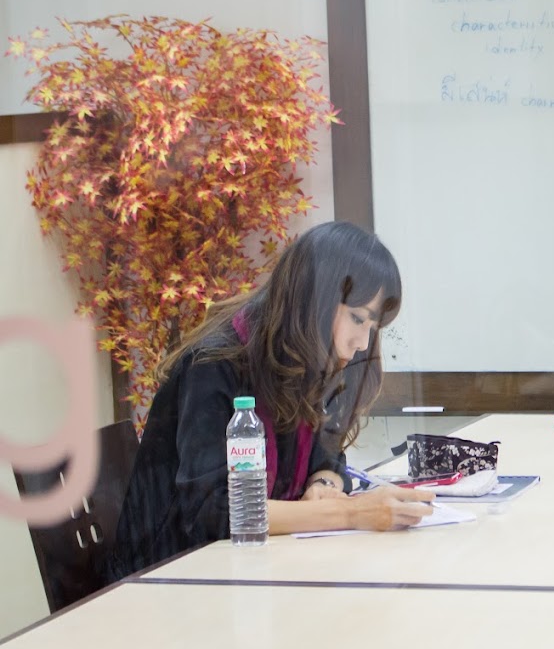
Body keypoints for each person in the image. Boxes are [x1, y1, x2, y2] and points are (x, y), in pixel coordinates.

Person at [107, 222, 433, 580]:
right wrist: (351, 514)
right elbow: (213, 512)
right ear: (315, 299)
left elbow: (328, 457)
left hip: (255, 566)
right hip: (172, 577)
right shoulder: (214, 365)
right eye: (358, 319)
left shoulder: (303, 358)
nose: (362, 343)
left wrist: (323, 486)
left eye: (373, 328)